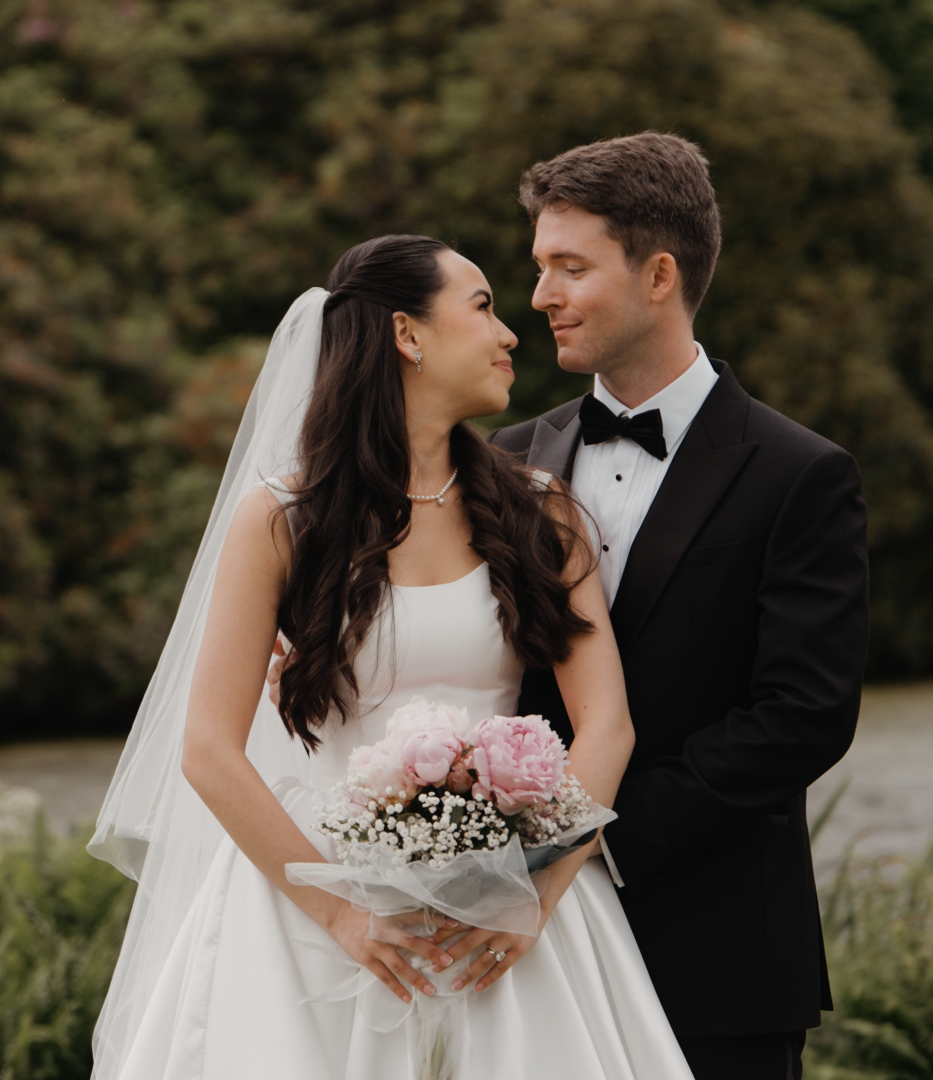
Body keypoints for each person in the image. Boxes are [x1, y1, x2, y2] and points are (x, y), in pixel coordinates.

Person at [88, 234, 696, 1079]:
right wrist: (337, 913)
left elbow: (608, 727)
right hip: (311, 908)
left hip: (515, 898)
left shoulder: (540, 511)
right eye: (482, 306)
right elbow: (209, 751)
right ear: (408, 335)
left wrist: (536, 894)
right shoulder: (282, 521)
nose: (511, 330)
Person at [489, 132, 870, 1080]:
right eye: (539, 268)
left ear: (659, 275)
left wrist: (592, 838)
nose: (540, 297)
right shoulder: (505, 461)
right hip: (522, 950)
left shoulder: (801, 474)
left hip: (719, 952)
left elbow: (803, 714)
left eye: (569, 268)